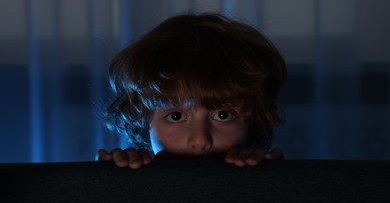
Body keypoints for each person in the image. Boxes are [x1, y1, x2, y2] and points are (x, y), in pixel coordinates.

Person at [98, 12, 287, 169]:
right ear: (143, 120)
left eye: (223, 115)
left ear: (252, 119)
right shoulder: (131, 180)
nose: (200, 141)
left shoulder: (262, 176)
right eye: (175, 116)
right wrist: (112, 178)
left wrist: (269, 180)